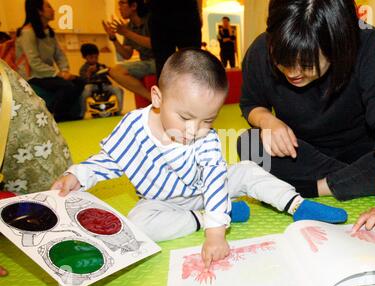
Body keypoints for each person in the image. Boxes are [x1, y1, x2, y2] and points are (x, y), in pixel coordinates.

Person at [51, 49, 347, 268]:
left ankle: (295, 204)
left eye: (208, 120)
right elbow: (109, 160)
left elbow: (216, 182)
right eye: (185, 117)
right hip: (164, 202)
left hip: (205, 190)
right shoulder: (132, 126)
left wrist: (216, 235)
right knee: (137, 224)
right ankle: (210, 216)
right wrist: (77, 175)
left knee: (245, 169)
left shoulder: (206, 139)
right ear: (157, 98)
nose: (194, 130)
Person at [237, 0, 375, 234]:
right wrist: (267, 121)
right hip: (301, 151)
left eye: (307, 64)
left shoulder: (366, 42)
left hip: (363, 149)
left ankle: (316, 188)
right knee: (249, 144)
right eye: (283, 60)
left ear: (338, 44)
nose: (292, 73)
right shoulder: (261, 49)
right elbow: (251, 104)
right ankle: (361, 179)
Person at [15, 0, 85, 122]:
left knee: (80, 81)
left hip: (48, 75)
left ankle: (71, 114)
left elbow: (59, 55)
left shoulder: (49, 32)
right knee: (67, 86)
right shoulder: (27, 32)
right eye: (49, 7)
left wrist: (65, 70)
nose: (53, 10)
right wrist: (58, 74)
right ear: (39, 11)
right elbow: (34, 63)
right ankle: (55, 115)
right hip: (34, 76)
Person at [102, 0, 155, 101]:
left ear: (134, 6)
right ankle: (151, 98)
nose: (119, 8)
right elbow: (126, 54)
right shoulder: (129, 27)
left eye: (122, 3)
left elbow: (155, 44)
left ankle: (153, 99)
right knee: (115, 71)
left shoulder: (150, 19)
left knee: (117, 70)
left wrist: (126, 33)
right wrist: (113, 39)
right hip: (146, 62)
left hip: (161, 60)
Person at [148, 0, 202, 79]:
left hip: (183, 12)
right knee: (191, 62)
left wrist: (199, 11)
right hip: (180, 13)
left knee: (191, 62)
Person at [79, 43, 124, 116]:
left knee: (118, 90)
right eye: (91, 57)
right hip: (91, 85)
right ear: (85, 57)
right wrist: (89, 72)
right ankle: (82, 113)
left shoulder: (101, 66)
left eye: (96, 57)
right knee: (85, 92)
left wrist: (109, 70)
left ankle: (118, 111)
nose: (94, 60)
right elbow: (83, 80)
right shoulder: (83, 68)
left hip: (104, 85)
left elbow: (110, 74)